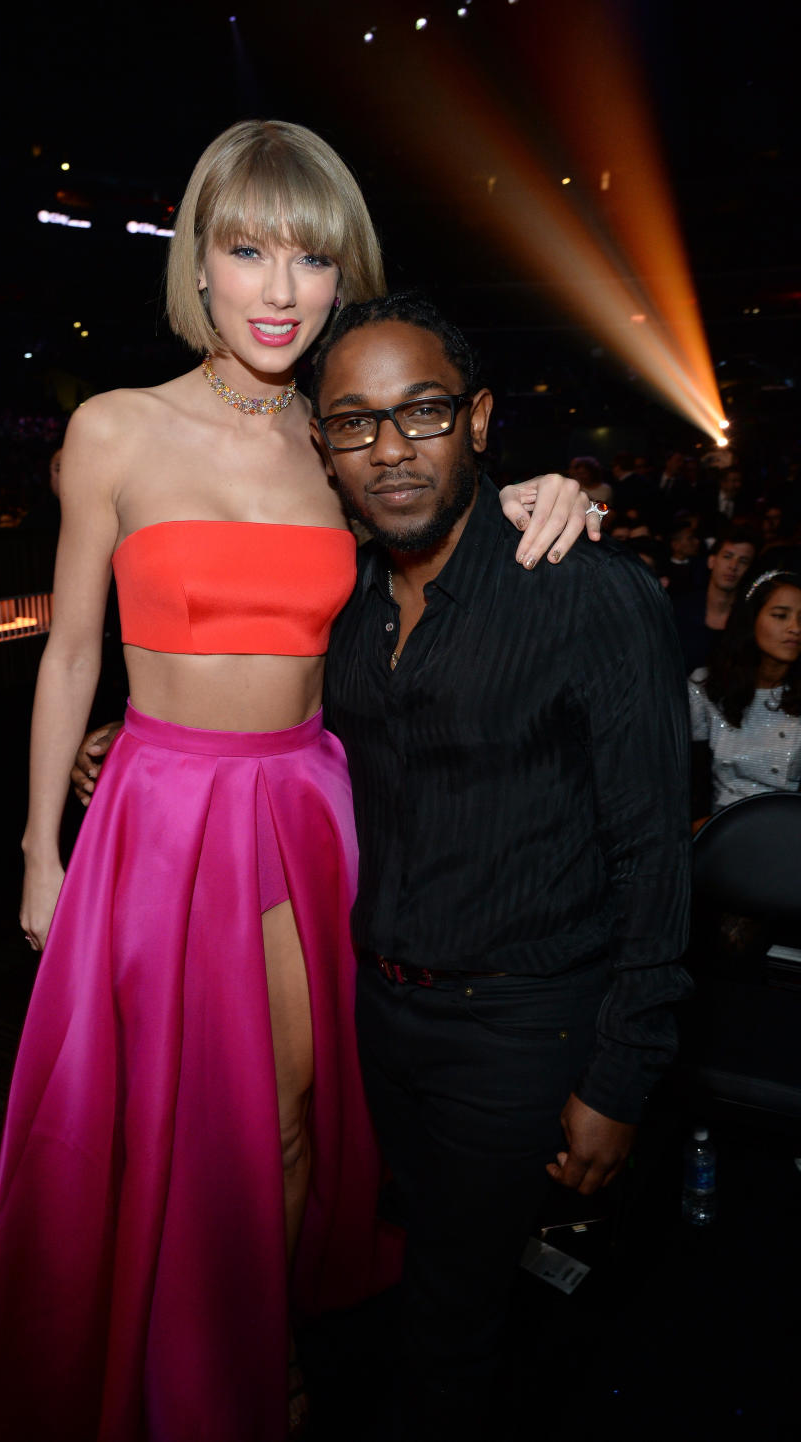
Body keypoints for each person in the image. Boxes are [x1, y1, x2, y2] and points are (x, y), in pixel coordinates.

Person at [0, 124, 598, 1442]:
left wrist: (551, 493)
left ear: (339, 277)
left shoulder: (346, 441)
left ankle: (257, 1350)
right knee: (155, 1125)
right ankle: (164, 1356)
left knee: (293, 1115)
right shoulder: (116, 430)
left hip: (308, 809)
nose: (277, 285)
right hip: (155, 812)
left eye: (310, 256)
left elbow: (453, 500)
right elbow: (72, 644)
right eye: (248, 248)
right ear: (198, 262)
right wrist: (39, 846)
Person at [311, 293, 691, 1438]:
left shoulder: (586, 592)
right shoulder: (341, 604)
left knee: (452, 1312)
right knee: (403, 1273)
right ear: (323, 449)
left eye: (422, 412)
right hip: (379, 1017)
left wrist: (621, 1075)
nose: (390, 447)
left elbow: (655, 851)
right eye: (355, 423)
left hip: (523, 1024)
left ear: (478, 419)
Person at [689, 569, 801, 825]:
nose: (795, 628)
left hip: (790, 830)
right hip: (722, 828)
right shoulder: (706, 688)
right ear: (752, 620)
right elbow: (690, 777)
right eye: (780, 616)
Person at [671, 525, 758, 675]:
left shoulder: (752, 618)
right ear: (712, 561)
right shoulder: (680, 609)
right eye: (727, 556)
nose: (733, 566)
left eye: (743, 561)